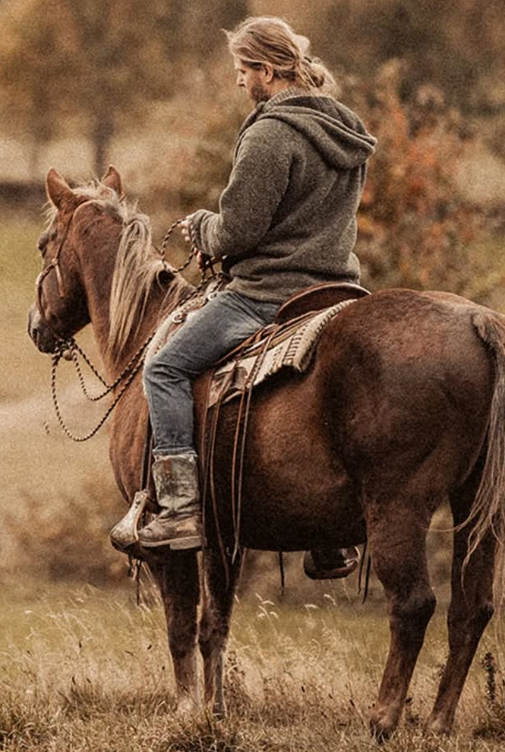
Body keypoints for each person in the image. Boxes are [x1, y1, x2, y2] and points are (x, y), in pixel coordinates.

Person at [135, 16, 377, 552]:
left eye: (243, 70)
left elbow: (238, 230)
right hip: (334, 294)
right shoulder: (345, 129)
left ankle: (178, 510)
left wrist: (201, 226)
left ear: (267, 71)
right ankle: (331, 536)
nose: (239, 81)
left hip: (266, 295)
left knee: (165, 368)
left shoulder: (271, 133)